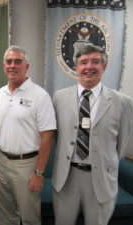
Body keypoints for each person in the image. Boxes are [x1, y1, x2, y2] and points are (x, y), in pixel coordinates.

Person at [52, 44, 133, 225]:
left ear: (103, 66)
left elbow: (122, 144)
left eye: (95, 62)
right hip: (66, 177)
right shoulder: (59, 97)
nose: (89, 67)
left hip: (101, 180)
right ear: (76, 67)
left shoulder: (123, 102)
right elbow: (57, 138)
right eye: (83, 62)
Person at [0, 45, 57, 225]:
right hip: (2, 162)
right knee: (5, 213)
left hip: (26, 165)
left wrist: (39, 173)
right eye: (8, 62)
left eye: (18, 61)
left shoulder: (40, 95)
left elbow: (47, 136)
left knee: (29, 216)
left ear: (26, 67)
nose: (12, 65)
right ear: (4, 66)